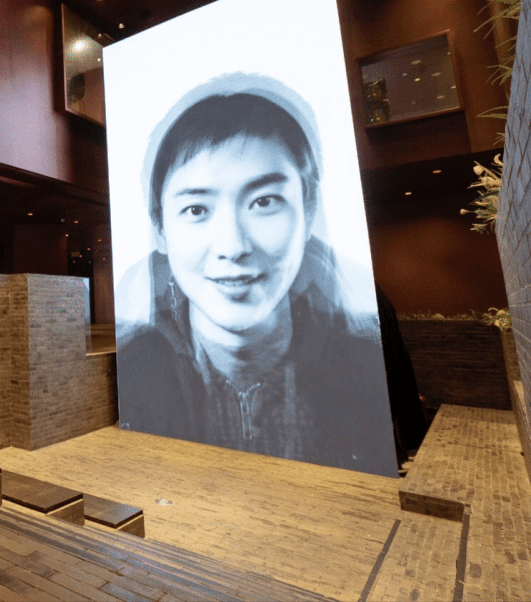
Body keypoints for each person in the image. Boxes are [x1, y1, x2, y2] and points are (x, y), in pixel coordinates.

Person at [116, 73, 394, 474]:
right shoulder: (135, 369)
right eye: (196, 209)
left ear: (308, 209)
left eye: (264, 202)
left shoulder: (366, 360)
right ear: (160, 227)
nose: (233, 246)